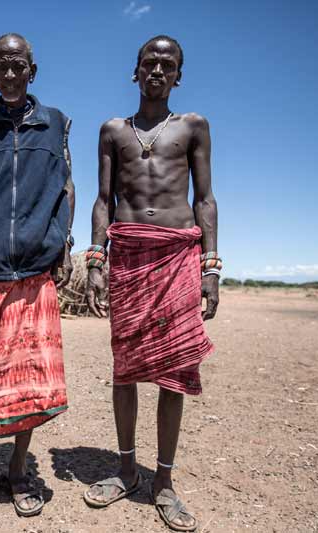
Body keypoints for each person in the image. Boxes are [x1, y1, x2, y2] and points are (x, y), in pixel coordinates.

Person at [82, 35, 219, 532]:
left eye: (167, 64)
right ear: (135, 71)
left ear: (178, 75)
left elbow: (205, 200)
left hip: (178, 254)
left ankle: (162, 480)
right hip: (128, 255)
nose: (157, 70)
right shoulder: (112, 131)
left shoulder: (193, 127)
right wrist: (95, 259)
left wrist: (211, 266)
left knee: (174, 369)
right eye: (149, 63)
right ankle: (124, 470)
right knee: (124, 368)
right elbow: (102, 199)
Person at [0, 33, 74, 517]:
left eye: (17, 64)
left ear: (32, 70)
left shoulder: (57, 125)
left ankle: (20, 469)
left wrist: (62, 243)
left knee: (28, 379)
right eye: (0, 65)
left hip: (35, 269)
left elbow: (66, 187)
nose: (9, 72)